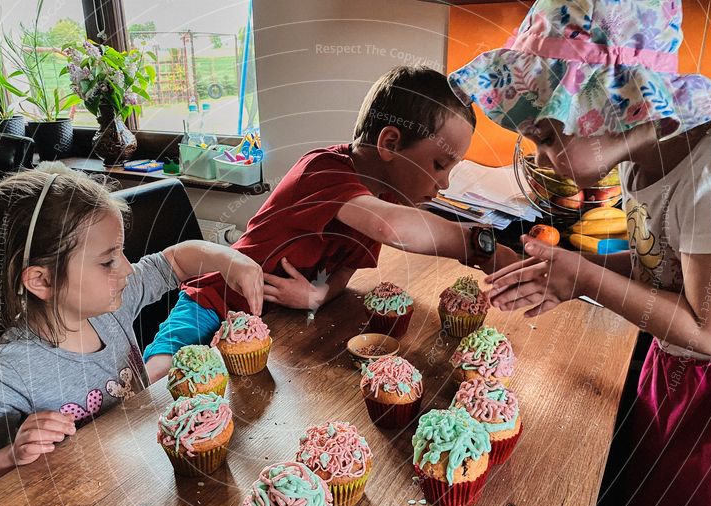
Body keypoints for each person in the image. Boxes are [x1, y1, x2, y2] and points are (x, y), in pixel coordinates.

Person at [450, 0, 711, 506]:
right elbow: (659, 266)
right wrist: (578, 270)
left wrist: (584, 278)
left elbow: (708, 329)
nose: (543, 158)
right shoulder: (639, 158)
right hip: (672, 376)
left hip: (709, 406)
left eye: (546, 136)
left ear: (616, 105)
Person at [143, 65, 521, 382]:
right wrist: (476, 246)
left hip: (275, 323)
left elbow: (343, 271)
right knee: (161, 375)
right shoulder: (322, 172)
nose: (444, 184)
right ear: (389, 143)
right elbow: (393, 227)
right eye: (440, 164)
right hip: (215, 300)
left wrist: (318, 296)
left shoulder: (380, 200)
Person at [0, 168, 263, 506]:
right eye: (107, 261)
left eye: (120, 253)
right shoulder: (9, 372)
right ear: (41, 281)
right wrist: (10, 456)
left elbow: (176, 261)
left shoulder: (109, 306)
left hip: (138, 487)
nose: (127, 269)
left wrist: (230, 259)